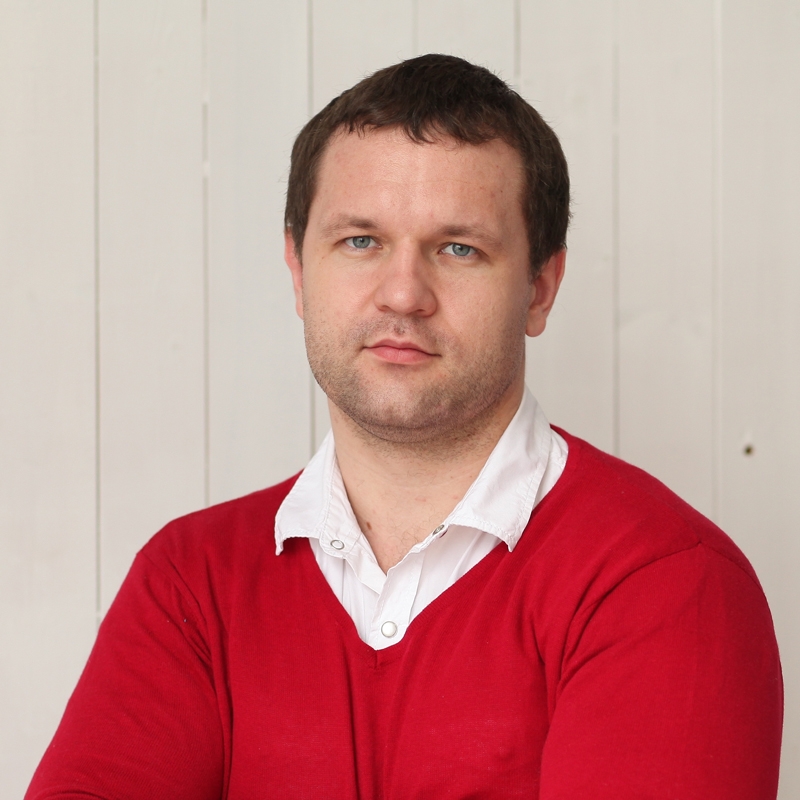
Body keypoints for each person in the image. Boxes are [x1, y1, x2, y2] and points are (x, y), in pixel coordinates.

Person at [27, 54, 782, 799]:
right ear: (298, 271)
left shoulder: (664, 582)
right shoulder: (190, 583)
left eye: (459, 248)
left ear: (539, 290)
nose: (403, 293)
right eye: (360, 241)